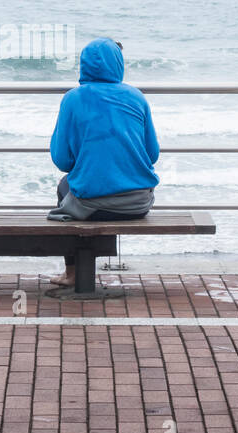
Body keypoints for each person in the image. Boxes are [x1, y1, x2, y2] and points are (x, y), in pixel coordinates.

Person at [47, 38, 159, 287]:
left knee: (65, 186)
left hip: (93, 205)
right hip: (138, 203)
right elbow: (152, 155)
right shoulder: (136, 97)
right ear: (118, 64)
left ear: (84, 65)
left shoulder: (73, 99)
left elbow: (62, 160)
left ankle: (73, 273)